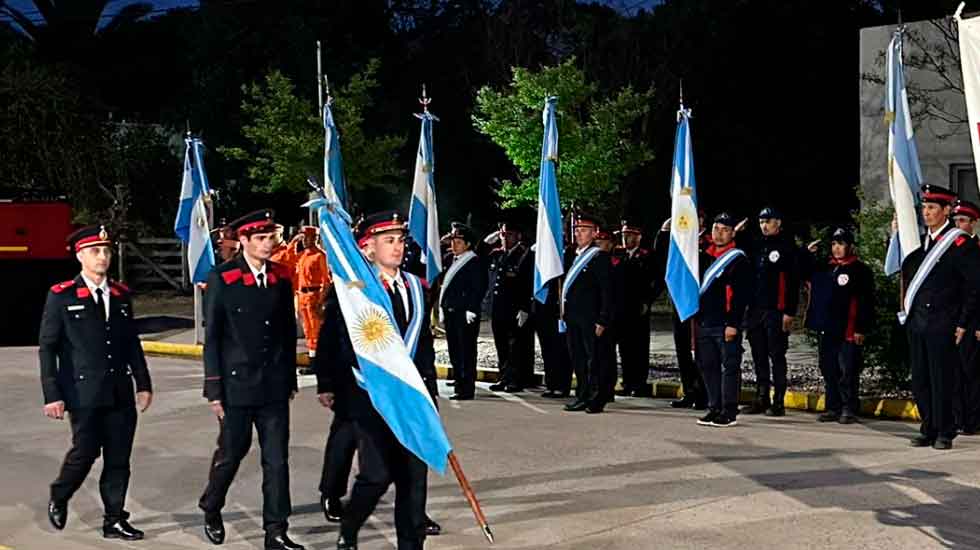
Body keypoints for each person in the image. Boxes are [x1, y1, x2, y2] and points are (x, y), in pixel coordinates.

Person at [317, 211, 438, 550]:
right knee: (377, 475)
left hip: (412, 400)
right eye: (389, 240)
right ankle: (350, 528)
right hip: (370, 400)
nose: (397, 247)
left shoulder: (417, 286)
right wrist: (327, 382)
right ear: (368, 249)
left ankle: (410, 544)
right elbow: (333, 340)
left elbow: (423, 344)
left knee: (414, 478)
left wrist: (430, 395)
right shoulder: (354, 292)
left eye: (400, 240)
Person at [198, 209, 304, 550]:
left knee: (276, 460)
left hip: (273, 385)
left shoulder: (281, 277)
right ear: (242, 240)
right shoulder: (223, 278)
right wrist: (214, 389)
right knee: (232, 453)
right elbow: (212, 338)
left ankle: (275, 530)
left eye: (270, 236)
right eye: (260, 238)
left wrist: (289, 380)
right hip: (236, 385)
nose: (268, 243)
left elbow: (288, 335)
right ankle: (211, 505)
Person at [40, 225, 153, 540]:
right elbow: (48, 348)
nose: (102, 256)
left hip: (119, 391)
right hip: (82, 392)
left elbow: (131, 342)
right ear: (80, 256)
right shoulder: (61, 295)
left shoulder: (120, 295)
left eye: (106, 250)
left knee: (119, 459)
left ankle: (114, 519)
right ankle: (60, 495)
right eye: (94, 251)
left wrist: (143, 383)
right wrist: (52, 394)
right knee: (85, 453)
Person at [902, 185, 980, 450]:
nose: (926, 212)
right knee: (921, 379)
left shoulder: (959, 244)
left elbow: (974, 287)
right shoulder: (922, 244)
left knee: (942, 379)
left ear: (947, 211)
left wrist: (963, 322)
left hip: (944, 322)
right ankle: (928, 427)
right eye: (924, 207)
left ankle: (945, 430)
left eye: (932, 207)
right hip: (919, 322)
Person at [802, 227, 874, 424]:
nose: (836, 248)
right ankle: (833, 406)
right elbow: (803, 274)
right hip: (828, 328)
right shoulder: (826, 268)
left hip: (848, 330)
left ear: (850, 246)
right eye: (834, 244)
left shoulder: (860, 270)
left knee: (848, 370)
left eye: (841, 244)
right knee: (829, 368)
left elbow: (866, 302)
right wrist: (807, 255)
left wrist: (861, 328)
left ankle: (849, 407)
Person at [694, 213, 751, 428]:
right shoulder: (704, 256)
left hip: (725, 323)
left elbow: (740, 296)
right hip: (705, 321)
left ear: (732, 233)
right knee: (708, 366)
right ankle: (714, 406)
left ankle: (729, 410)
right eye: (716, 229)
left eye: (725, 229)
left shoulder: (738, 259)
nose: (719, 233)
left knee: (729, 366)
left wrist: (733, 324)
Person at [742, 207, 800, 417]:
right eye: (761, 222)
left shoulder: (786, 247)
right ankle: (761, 397)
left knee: (776, 355)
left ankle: (778, 402)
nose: (764, 225)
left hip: (776, 310)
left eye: (768, 221)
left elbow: (793, 282)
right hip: (756, 309)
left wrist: (789, 311)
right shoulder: (757, 246)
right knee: (758, 355)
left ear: (778, 223)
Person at [654, 211, 709, 409]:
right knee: (683, 350)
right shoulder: (680, 242)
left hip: (699, 304)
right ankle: (689, 391)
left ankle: (704, 393)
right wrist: (664, 231)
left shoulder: (708, 243)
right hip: (680, 303)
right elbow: (661, 259)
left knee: (700, 352)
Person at [561, 213, 614, 414]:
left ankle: (596, 398)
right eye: (577, 230)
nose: (579, 234)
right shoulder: (572, 256)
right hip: (573, 316)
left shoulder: (598, 257)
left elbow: (607, 292)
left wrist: (603, 319)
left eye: (583, 231)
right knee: (578, 358)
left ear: (594, 234)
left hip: (591, 318)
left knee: (594, 359)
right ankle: (582, 395)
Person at [439, 222, 488, 400]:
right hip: (451, 311)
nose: (454, 244)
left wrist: (472, 309)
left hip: (465, 313)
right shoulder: (450, 259)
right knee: (454, 350)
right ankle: (459, 382)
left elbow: (479, 288)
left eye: (458, 241)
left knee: (466, 351)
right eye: (453, 240)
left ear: (467, 244)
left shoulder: (474, 262)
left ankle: (467, 388)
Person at [485, 221, 533, 392]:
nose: (505, 238)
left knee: (515, 347)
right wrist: (487, 242)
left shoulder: (525, 255)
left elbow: (528, 284)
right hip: (498, 309)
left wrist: (525, 308)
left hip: (515, 309)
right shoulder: (498, 255)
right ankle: (504, 377)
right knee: (501, 346)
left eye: (509, 234)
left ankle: (515, 380)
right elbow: (478, 258)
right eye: (503, 234)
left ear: (518, 236)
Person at [613, 220, 656, 398]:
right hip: (621, 307)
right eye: (624, 235)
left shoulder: (647, 256)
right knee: (624, 347)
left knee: (639, 346)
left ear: (639, 237)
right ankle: (628, 381)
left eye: (630, 235)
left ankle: (639, 383)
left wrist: (648, 300)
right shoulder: (618, 255)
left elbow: (656, 280)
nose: (626, 238)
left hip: (638, 307)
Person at [950, 200, 980, 434]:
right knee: (957, 372)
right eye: (956, 220)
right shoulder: (952, 247)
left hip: (971, 322)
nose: (958, 224)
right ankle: (960, 418)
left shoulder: (974, 250)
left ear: (973, 223)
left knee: (971, 373)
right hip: (953, 318)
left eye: (962, 221)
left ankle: (972, 420)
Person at [294, 226, 331, 359]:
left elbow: (326, 281)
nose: (304, 240)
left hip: (314, 295)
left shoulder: (320, 255)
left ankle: (318, 360)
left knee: (316, 330)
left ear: (315, 238)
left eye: (307, 237)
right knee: (307, 330)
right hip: (302, 296)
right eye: (303, 237)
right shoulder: (303, 255)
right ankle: (312, 358)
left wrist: (321, 301)